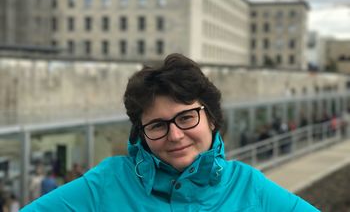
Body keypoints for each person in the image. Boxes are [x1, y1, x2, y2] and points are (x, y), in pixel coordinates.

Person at [21, 53, 319, 211]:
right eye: (158, 125)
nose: (175, 136)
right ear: (142, 132)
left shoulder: (249, 187)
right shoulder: (107, 183)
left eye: (187, 117)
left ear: (211, 119)